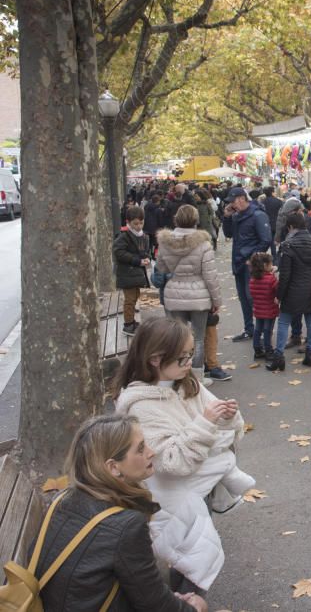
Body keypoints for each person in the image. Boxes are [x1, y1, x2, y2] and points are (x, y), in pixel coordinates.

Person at [114, 317, 254, 594]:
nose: (190, 362)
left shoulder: (184, 382)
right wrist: (207, 423)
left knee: (194, 551)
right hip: (174, 497)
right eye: (183, 357)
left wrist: (226, 415)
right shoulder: (142, 407)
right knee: (190, 557)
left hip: (200, 488)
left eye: (192, 354)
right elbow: (173, 462)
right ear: (155, 359)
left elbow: (220, 423)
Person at [29, 414, 207, 611]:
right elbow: (155, 606)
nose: (151, 452)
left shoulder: (64, 498)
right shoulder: (126, 525)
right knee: (202, 604)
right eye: (140, 449)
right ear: (113, 467)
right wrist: (193, 608)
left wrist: (169, 599)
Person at [156, 204, 222, 379]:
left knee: (176, 338)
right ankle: (197, 376)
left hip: (174, 293)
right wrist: (216, 301)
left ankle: (177, 374)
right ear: (196, 220)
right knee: (198, 338)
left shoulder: (164, 242)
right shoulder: (204, 244)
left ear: (176, 219)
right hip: (199, 296)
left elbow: (161, 268)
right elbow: (210, 276)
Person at [268, 212, 311, 370]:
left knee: (284, 321)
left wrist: (279, 295)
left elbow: (285, 275)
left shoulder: (288, 244)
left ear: (291, 227)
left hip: (293, 290)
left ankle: (278, 356)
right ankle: (310, 353)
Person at [221, 187, 271, 341]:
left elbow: (265, 240)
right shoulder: (236, 216)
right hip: (238, 262)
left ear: (242, 198)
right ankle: (249, 329)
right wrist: (227, 217)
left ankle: (260, 330)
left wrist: (252, 258)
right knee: (243, 298)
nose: (232, 205)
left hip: (251, 264)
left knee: (253, 298)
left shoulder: (258, 215)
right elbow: (228, 234)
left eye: (233, 201)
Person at [114, 205, 151, 336]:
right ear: (128, 222)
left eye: (141, 223)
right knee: (129, 300)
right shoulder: (124, 236)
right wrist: (137, 260)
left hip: (137, 273)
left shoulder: (143, 236)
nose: (139, 226)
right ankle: (128, 324)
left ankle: (131, 321)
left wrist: (146, 258)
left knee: (135, 297)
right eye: (136, 223)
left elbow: (145, 251)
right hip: (127, 273)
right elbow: (119, 252)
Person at [249, 252, 278, 360]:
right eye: (271, 264)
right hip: (269, 309)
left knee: (258, 329)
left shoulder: (253, 279)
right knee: (267, 330)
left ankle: (257, 349)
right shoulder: (271, 279)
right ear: (265, 266)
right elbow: (277, 290)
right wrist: (273, 274)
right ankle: (268, 350)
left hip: (258, 308)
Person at [261, 186, 283, 252]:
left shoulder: (263, 202)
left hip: (265, 224)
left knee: (266, 240)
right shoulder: (278, 201)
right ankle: (274, 256)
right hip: (275, 223)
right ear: (272, 192)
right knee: (274, 241)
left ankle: (263, 254)